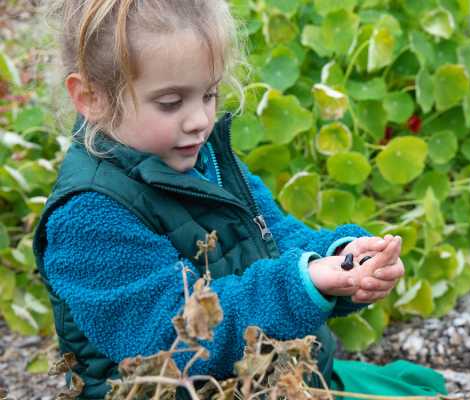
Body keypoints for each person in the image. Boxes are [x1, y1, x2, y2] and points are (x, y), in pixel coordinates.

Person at [33, 1, 447, 399]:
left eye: (209, 94)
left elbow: (275, 234)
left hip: (271, 379)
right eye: (171, 102)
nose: (199, 120)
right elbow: (172, 342)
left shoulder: (202, 155)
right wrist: (304, 283)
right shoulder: (88, 217)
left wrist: (341, 259)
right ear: (92, 98)